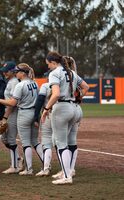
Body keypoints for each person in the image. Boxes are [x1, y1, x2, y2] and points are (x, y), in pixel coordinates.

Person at [41, 51, 88, 185]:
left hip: (62, 108)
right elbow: (86, 87)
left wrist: (46, 109)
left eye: (48, 64)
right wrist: (78, 97)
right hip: (74, 107)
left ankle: (67, 176)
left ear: (53, 62)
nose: (48, 66)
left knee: (60, 143)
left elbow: (55, 95)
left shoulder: (54, 73)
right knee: (70, 141)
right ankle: (68, 171)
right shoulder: (71, 72)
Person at [0, 63, 43, 176]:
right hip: (35, 113)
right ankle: (46, 164)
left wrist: (0, 101)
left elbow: (12, 102)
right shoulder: (34, 83)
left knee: (26, 143)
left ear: (23, 73)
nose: (16, 73)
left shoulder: (20, 85)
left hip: (24, 113)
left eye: (17, 72)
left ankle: (29, 169)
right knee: (35, 141)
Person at [0, 61, 21, 174]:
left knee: (11, 139)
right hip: (9, 112)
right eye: (4, 71)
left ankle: (15, 166)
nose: (4, 73)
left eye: (7, 71)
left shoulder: (14, 82)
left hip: (13, 112)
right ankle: (18, 159)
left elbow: (12, 103)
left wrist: (5, 117)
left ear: (13, 71)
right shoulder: (10, 81)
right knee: (4, 139)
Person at [33, 71, 53, 177]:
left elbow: (40, 101)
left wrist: (36, 116)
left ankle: (46, 168)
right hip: (62, 114)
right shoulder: (63, 86)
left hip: (48, 114)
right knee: (61, 143)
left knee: (46, 142)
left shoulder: (45, 85)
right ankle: (67, 169)